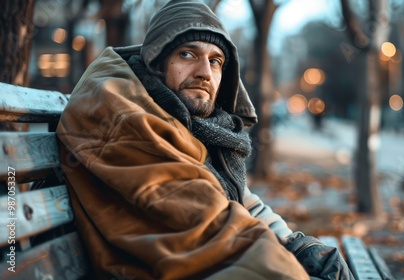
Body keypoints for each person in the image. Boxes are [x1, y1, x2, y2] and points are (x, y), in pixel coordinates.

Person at [56, 0, 354, 279]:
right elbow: (205, 227)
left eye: (215, 61)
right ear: (156, 62)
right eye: (187, 54)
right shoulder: (125, 117)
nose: (204, 73)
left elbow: (243, 201)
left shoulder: (187, 124)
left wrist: (293, 243)